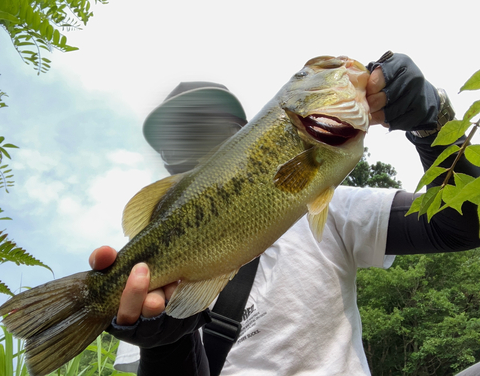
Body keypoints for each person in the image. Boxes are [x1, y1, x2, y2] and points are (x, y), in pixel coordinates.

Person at [88, 52, 480, 375]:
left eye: (208, 126)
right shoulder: (144, 287)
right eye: (180, 137)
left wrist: (435, 124)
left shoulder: (333, 208)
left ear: (245, 133)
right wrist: (169, 344)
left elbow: (459, 228)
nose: (195, 140)